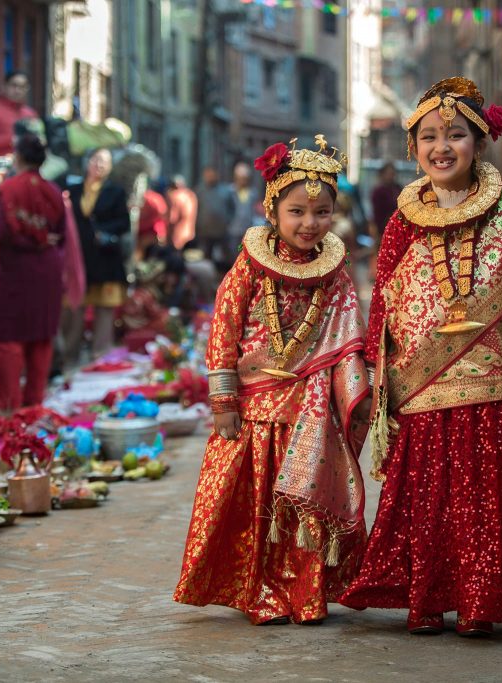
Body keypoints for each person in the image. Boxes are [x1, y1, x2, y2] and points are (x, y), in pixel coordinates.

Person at [339, 77, 502, 636]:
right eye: (430, 137)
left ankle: (481, 604)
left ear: (480, 144)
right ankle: (426, 600)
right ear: (413, 150)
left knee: (488, 496)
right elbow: (385, 297)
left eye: (457, 134)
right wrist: (373, 364)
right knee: (427, 495)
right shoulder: (401, 221)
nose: (443, 146)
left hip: (494, 379)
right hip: (419, 383)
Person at [174, 135, 370, 625]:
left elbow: (349, 337)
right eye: (298, 212)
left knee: (301, 507)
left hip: (309, 411)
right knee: (253, 509)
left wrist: (355, 392)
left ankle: (304, 594)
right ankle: (255, 591)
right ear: (272, 210)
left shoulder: (335, 271)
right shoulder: (249, 265)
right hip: (253, 410)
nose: (310, 223)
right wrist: (223, 400)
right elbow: (224, 325)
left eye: (322, 212)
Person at [0, 134, 66, 414]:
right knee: (40, 337)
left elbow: (1, 232)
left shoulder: (9, 189)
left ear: (17, 157)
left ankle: (9, 405)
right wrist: (44, 240)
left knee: (8, 336)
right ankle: (34, 403)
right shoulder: (53, 191)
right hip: (47, 271)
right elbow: (62, 235)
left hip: (16, 271)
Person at [66, 148, 129, 359]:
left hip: (105, 258)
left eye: (105, 162)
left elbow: (124, 223)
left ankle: (100, 354)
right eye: (96, 160)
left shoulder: (116, 192)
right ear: (87, 162)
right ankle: (69, 355)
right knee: (74, 308)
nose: (100, 165)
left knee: (104, 309)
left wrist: (105, 231)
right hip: (78, 258)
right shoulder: (72, 190)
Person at [194, 167, 235, 266]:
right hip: (204, 231)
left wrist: (228, 221)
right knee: (206, 257)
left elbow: (232, 208)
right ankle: (209, 277)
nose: (210, 177)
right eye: (208, 175)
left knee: (228, 256)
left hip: (222, 230)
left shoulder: (225, 190)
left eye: (212, 175)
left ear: (217, 176)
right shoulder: (199, 191)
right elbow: (194, 209)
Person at [226, 161, 260, 261]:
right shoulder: (230, 191)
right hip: (233, 230)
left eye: (245, 179)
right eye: (241, 179)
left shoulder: (252, 193)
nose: (243, 181)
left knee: (246, 256)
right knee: (234, 255)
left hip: (248, 230)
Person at [369, 162, 401, 237]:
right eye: (388, 174)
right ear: (382, 174)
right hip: (382, 226)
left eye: (392, 174)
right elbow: (376, 211)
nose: (390, 176)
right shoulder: (378, 191)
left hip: (397, 225)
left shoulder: (398, 188)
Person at [167, 175, 198, 249]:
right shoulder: (190, 195)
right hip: (189, 233)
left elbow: (172, 218)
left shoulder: (175, 196)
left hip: (177, 234)